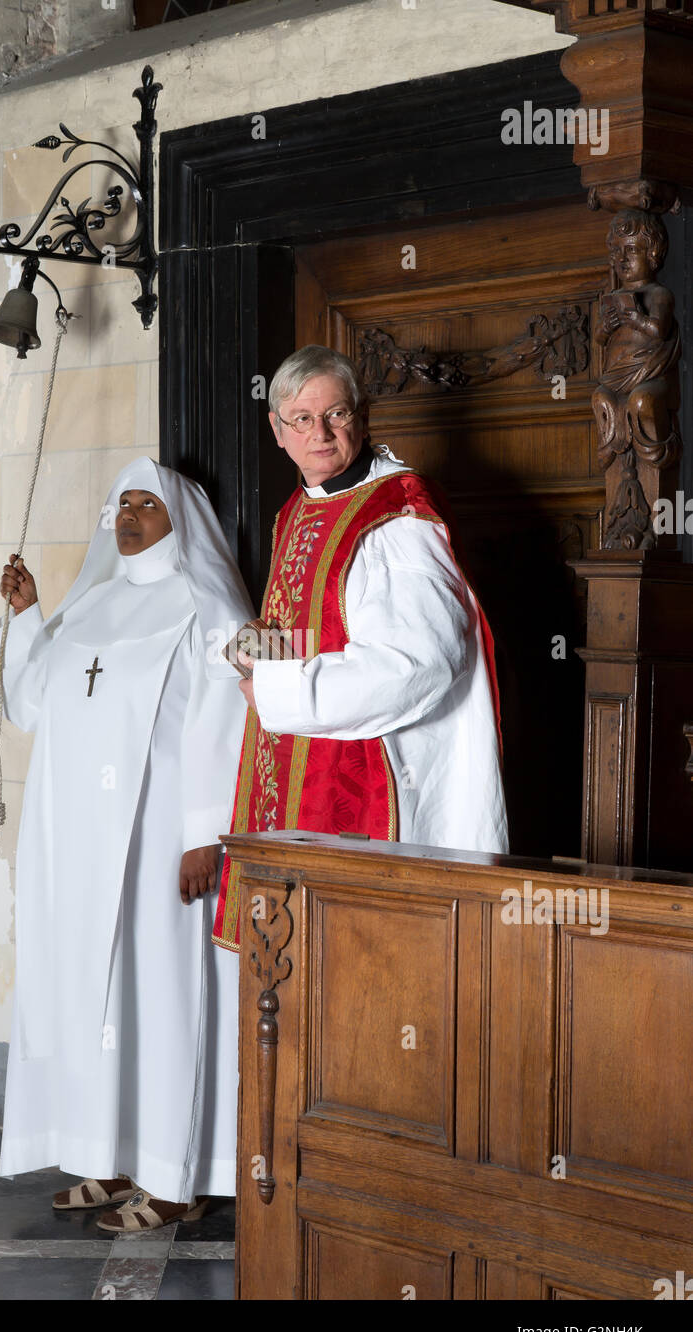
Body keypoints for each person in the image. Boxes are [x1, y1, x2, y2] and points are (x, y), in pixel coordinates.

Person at [0, 457, 254, 1232]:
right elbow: (34, 697)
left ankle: (177, 1176)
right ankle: (109, 1155)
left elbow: (227, 719)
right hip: (76, 845)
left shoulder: (204, 605)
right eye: (121, 502)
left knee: (161, 995)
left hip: (158, 841)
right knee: (91, 993)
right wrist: (30, 610)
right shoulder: (93, 603)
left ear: (181, 519)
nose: (129, 514)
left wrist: (204, 834)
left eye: (147, 502)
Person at [213, 345, 507, 951]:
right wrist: (255, 646)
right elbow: (314, 630)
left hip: (376, 781)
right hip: (295, 774)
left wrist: (278, 688)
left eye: (336, 414)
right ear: (277, 431)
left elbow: (420, 665)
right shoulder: (297, 509)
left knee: (355, 964)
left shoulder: (396, 515)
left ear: (362, 416)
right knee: (289, 972)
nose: (319, 433)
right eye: (300, 418)